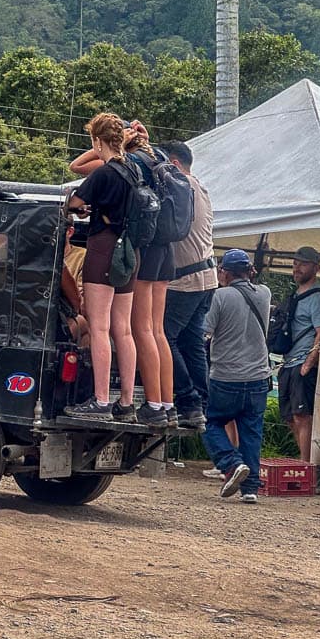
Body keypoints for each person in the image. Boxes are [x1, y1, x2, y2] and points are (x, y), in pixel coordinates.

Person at [63, 112, 138, 422]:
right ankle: (126, 402)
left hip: (104, 248)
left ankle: (101, 400)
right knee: (124, 329)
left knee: (99, 326)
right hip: (129, 253)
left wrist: (83, 209)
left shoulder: (104, 173)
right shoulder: (133, 170)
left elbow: (73, 203)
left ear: (96, 141)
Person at [201, 249, 271, 504]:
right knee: (251, 432)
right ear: (249, 271)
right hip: (258, 377)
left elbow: (205, 332)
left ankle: (230, 464)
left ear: (226, 273)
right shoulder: (264, 293)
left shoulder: (220, 296)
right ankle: (250, 488)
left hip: (226, 376)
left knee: (208, 422)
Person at [162, 140, 216, 431]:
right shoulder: (200, 187)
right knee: (192, 341)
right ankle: (201, 403)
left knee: (162, 336)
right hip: (207, 276)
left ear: (174, 164)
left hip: (186, 278)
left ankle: (187, 398)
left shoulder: (180, 184)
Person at [124, 123, 174, 428]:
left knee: (141, 329)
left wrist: (122, 140)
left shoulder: (131, 163)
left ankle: (153, 404)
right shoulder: (160, 159)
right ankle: (167, 403)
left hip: (146, 247)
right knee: (157, 330)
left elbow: (79, 165)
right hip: (166, 250)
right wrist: (142, 138)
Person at [277, 247, 320, 462]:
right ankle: (303, 460)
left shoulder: (317, 298)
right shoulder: (295, 295)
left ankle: (307, 465)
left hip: (302, 363)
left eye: (303, 264)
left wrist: (310, 361)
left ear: (316, 267)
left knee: (302, 415)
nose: (297, 267)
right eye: (295, 263)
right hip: (289, 362)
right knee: (290, 416)